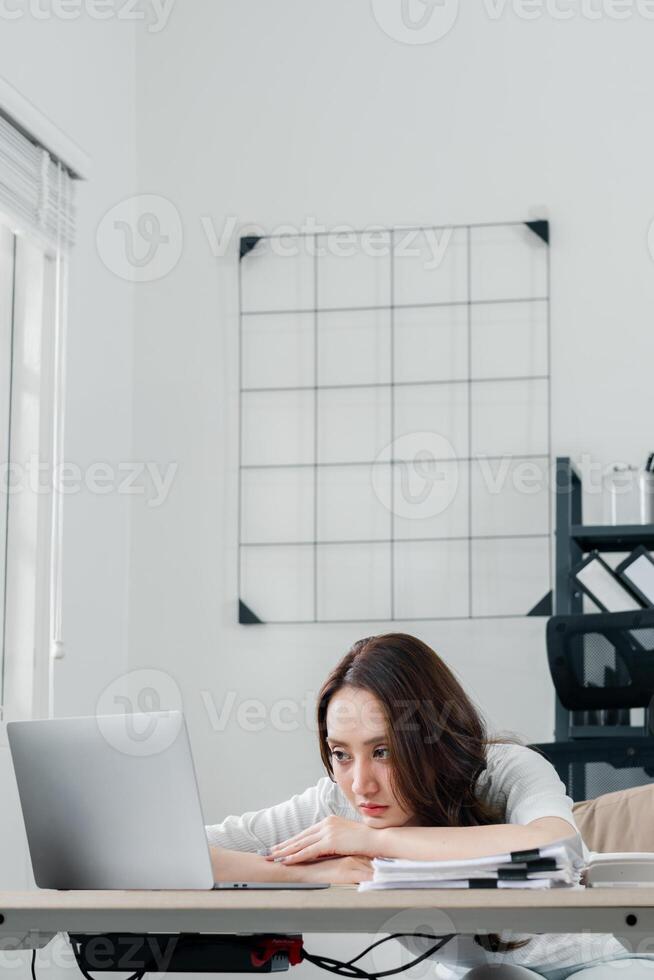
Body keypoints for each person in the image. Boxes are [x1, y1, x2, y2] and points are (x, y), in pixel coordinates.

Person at [206, 633, 649, 979]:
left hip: (603, 958)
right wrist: (306, 873)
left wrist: (375, 840)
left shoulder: (503, 768)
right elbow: (186, 851)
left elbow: (557, 845)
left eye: (384, 752)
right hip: (484, 973)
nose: (360, 783)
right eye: (341, 753)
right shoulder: (338, 801)